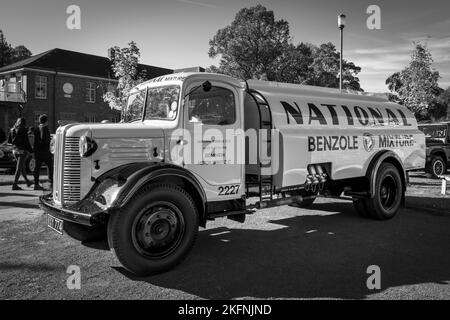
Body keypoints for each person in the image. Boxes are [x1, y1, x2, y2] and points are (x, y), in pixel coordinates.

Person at [8, 118, 33, 190]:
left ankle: (27, 181)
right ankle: (14, 184)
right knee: (19, 168)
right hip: (22, 151)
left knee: (22, 167)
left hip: (14, 150)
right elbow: (27, 142)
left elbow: (9, 141)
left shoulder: (12, 129)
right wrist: (31, 151)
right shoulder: (23, 130)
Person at [33, 114, 53, 190]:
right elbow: (47, 140)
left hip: (37, 151)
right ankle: (51, 182)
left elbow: (35, 141)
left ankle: (36, 184)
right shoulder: (45, 128)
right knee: (50, 166)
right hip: (45, 151)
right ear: (46, 121)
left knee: (37, 168)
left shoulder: (37, 128)